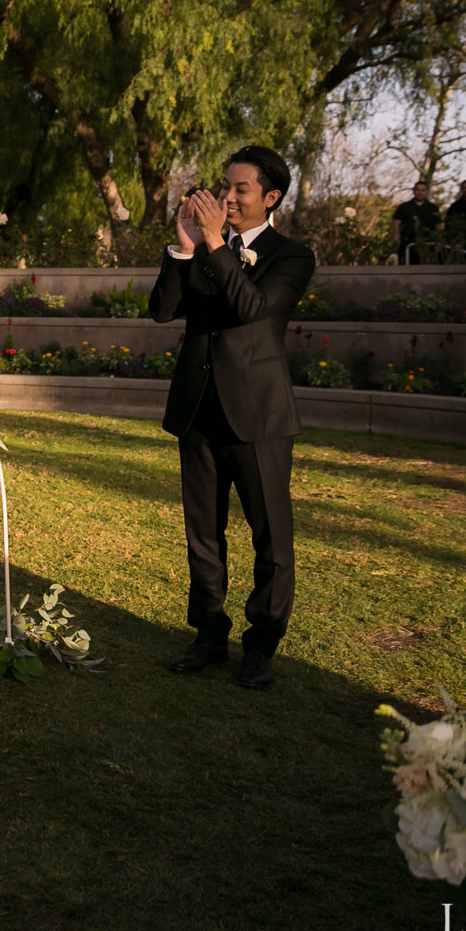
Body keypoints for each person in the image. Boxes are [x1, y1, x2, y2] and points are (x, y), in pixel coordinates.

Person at [148, 145, 316, 691]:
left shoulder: (292, 257)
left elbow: (252, 310)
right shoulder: (202, 248)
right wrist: (183, 248)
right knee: (203, 533)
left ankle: (261, 646)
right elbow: (162, 310)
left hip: (259, 417)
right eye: (224, 185)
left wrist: (216, 244)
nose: (225, 196)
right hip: (199, 409)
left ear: (270, 198)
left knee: (271, 537)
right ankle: (208, 635)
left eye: (240, 189)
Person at [392, 180, 439, 265]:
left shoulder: (433, 208)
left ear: (426, 191)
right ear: (413, 190)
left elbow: (439, 226)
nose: (420, 192)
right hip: (407, 243)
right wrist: (397, 240)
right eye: (418, 190)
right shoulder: (403, 207)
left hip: (427, 244)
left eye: (423, 190)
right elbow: (396, 225)